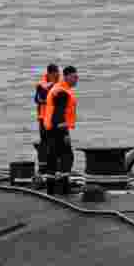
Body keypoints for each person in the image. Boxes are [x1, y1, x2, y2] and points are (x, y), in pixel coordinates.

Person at [42, 65, 78, 194]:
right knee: (67, 156)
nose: (76, 80)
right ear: (67, 76)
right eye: (74, 77)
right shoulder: (62, 92)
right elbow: (59, 114)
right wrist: (65, 133)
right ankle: (64, 187)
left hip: (50, 128)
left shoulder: (58, 88)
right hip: (59, 129)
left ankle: (51, 188)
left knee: (52, 156)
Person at [33, 64, 60, 178]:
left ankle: (53, 168)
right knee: (46, 143)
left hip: (54, 119)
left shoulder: (57, 84)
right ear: (50, 73)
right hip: (44, 118)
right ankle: (44, 169)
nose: (58, 75)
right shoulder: (42, 85)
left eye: (58, 73)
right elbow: (39, 99)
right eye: (56, 73)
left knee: (55, 143)